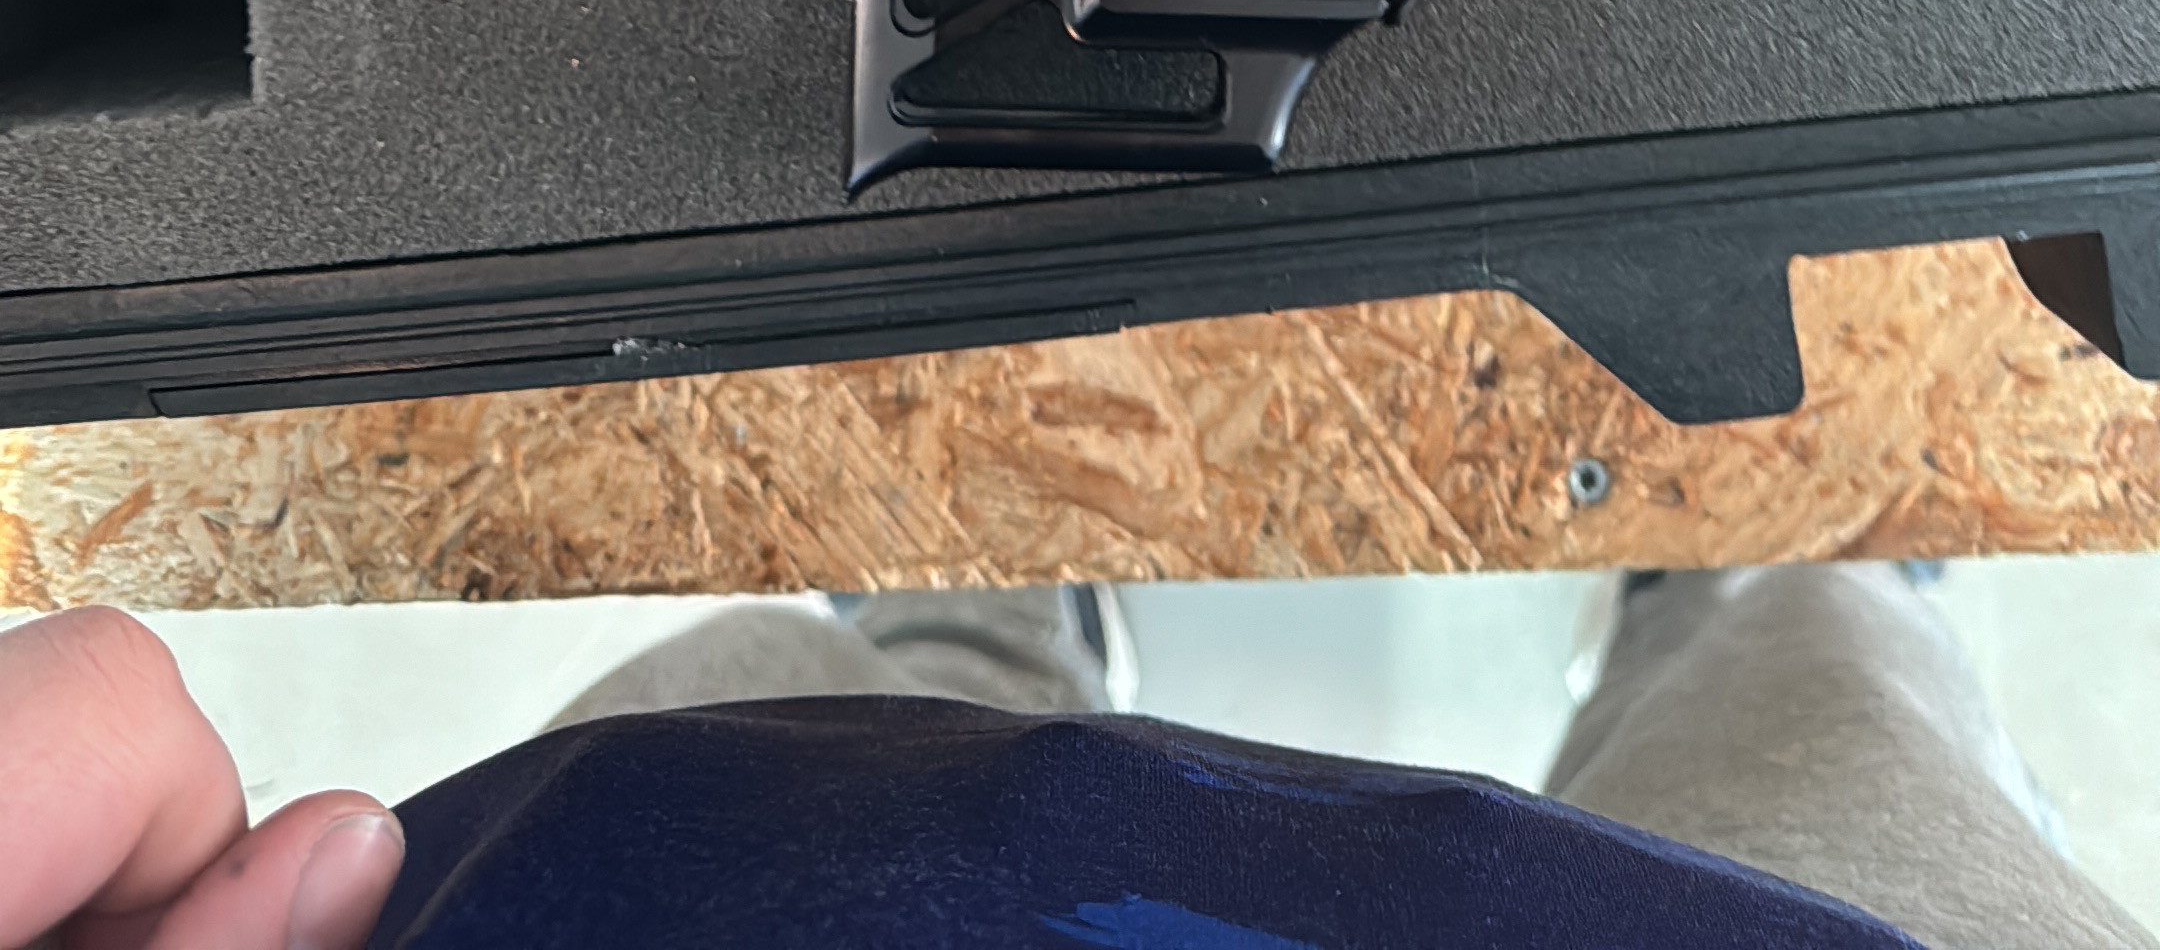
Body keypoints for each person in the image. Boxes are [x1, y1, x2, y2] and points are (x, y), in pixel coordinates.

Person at [1, 564, 2144, 948]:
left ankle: (977, 623)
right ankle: (1762, 578)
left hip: (618, 876)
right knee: (1826, 677)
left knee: (778, 673)